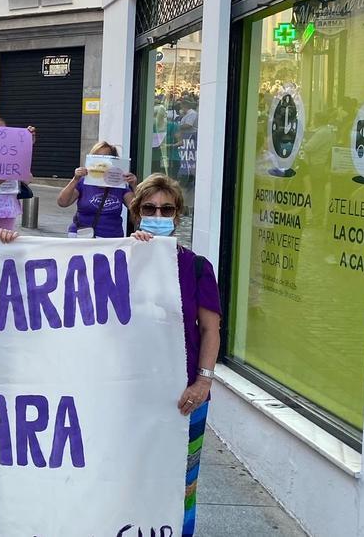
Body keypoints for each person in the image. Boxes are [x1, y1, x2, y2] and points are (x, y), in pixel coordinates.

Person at [128, 174, 221, 537]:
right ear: (136, 213)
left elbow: (211, 330)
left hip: (185, 396)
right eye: (149, 208)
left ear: (178, 215)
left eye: (166, 208)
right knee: (131, 475)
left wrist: (203, 381)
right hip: (132, 393)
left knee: (182, 484)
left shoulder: (197, 267)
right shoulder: (118, 260)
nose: (158, 214)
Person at [58, 142, 137, 238]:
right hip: (83, 236)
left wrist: (134, 186)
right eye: (97, 156)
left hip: (110, 238)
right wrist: (75, 179)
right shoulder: (83, 182)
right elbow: (63, 202)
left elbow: (137, 210)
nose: (101, 161)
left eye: (106, 157)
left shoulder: (120, 185)